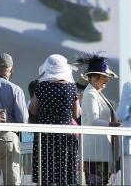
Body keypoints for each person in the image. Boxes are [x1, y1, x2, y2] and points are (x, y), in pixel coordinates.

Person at [29, 53, 80, 186]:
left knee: (45, 176)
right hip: (66, 137)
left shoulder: (42, 86)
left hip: (45, 138)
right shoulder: (71, 88)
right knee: (64, 177)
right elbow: (77, 114)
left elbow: (33, 109)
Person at [0, 52, 28, 186]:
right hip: (8, 137)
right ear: (11, 69)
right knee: (12, 179)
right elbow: (23, 120)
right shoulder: (16, 90)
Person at [79, 54, 119, 185]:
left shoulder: (96, 93)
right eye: (104, 78)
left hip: (101, 151)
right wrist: (113, 125)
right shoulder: (90, 93)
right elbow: (93, 120)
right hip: (95, 153)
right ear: (95, 77)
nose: (107, 81)